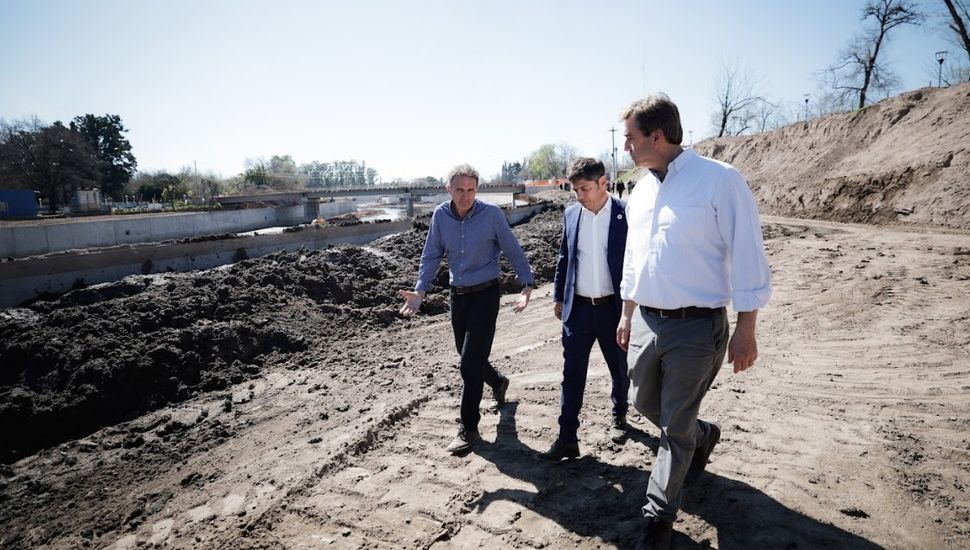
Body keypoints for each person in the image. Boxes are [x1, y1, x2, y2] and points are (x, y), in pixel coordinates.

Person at [615, 95, 771, 550]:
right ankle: (704, 436)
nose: (625, 145)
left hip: (698, 326)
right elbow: (633, 259)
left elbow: (748, 256)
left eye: (630, 136)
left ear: (657, 136)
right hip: (646, 319)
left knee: (674, 424)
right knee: (646, 403)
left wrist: (747, 328)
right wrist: (627, 313)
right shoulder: (641, 190)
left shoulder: (720, 181)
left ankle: (657, 518)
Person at [400, 163, 535, 454]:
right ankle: (498, 382)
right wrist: (420, 291)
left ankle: (469, 427)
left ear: (477, 189)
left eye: (471, 190)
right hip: (458, 296)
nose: (465, 196)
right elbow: (431, 255)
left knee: (468, 365)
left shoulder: (492, 215)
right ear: (448, 189)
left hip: (486, 295)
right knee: (467, 355)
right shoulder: (440, 216)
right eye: (459, 190)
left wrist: (527, 285)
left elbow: (513, 249)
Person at [537, 158, 630, 461]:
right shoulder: (571, 214)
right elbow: (565, 256)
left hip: (612, 309)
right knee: (572, 373)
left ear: (603, 183)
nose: (580, 195)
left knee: (619, 367)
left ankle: (619, 414)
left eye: (585, 188)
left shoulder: (625, 214)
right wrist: (557, 295)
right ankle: (567, 438)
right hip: (577, 310)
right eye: (575, 189)